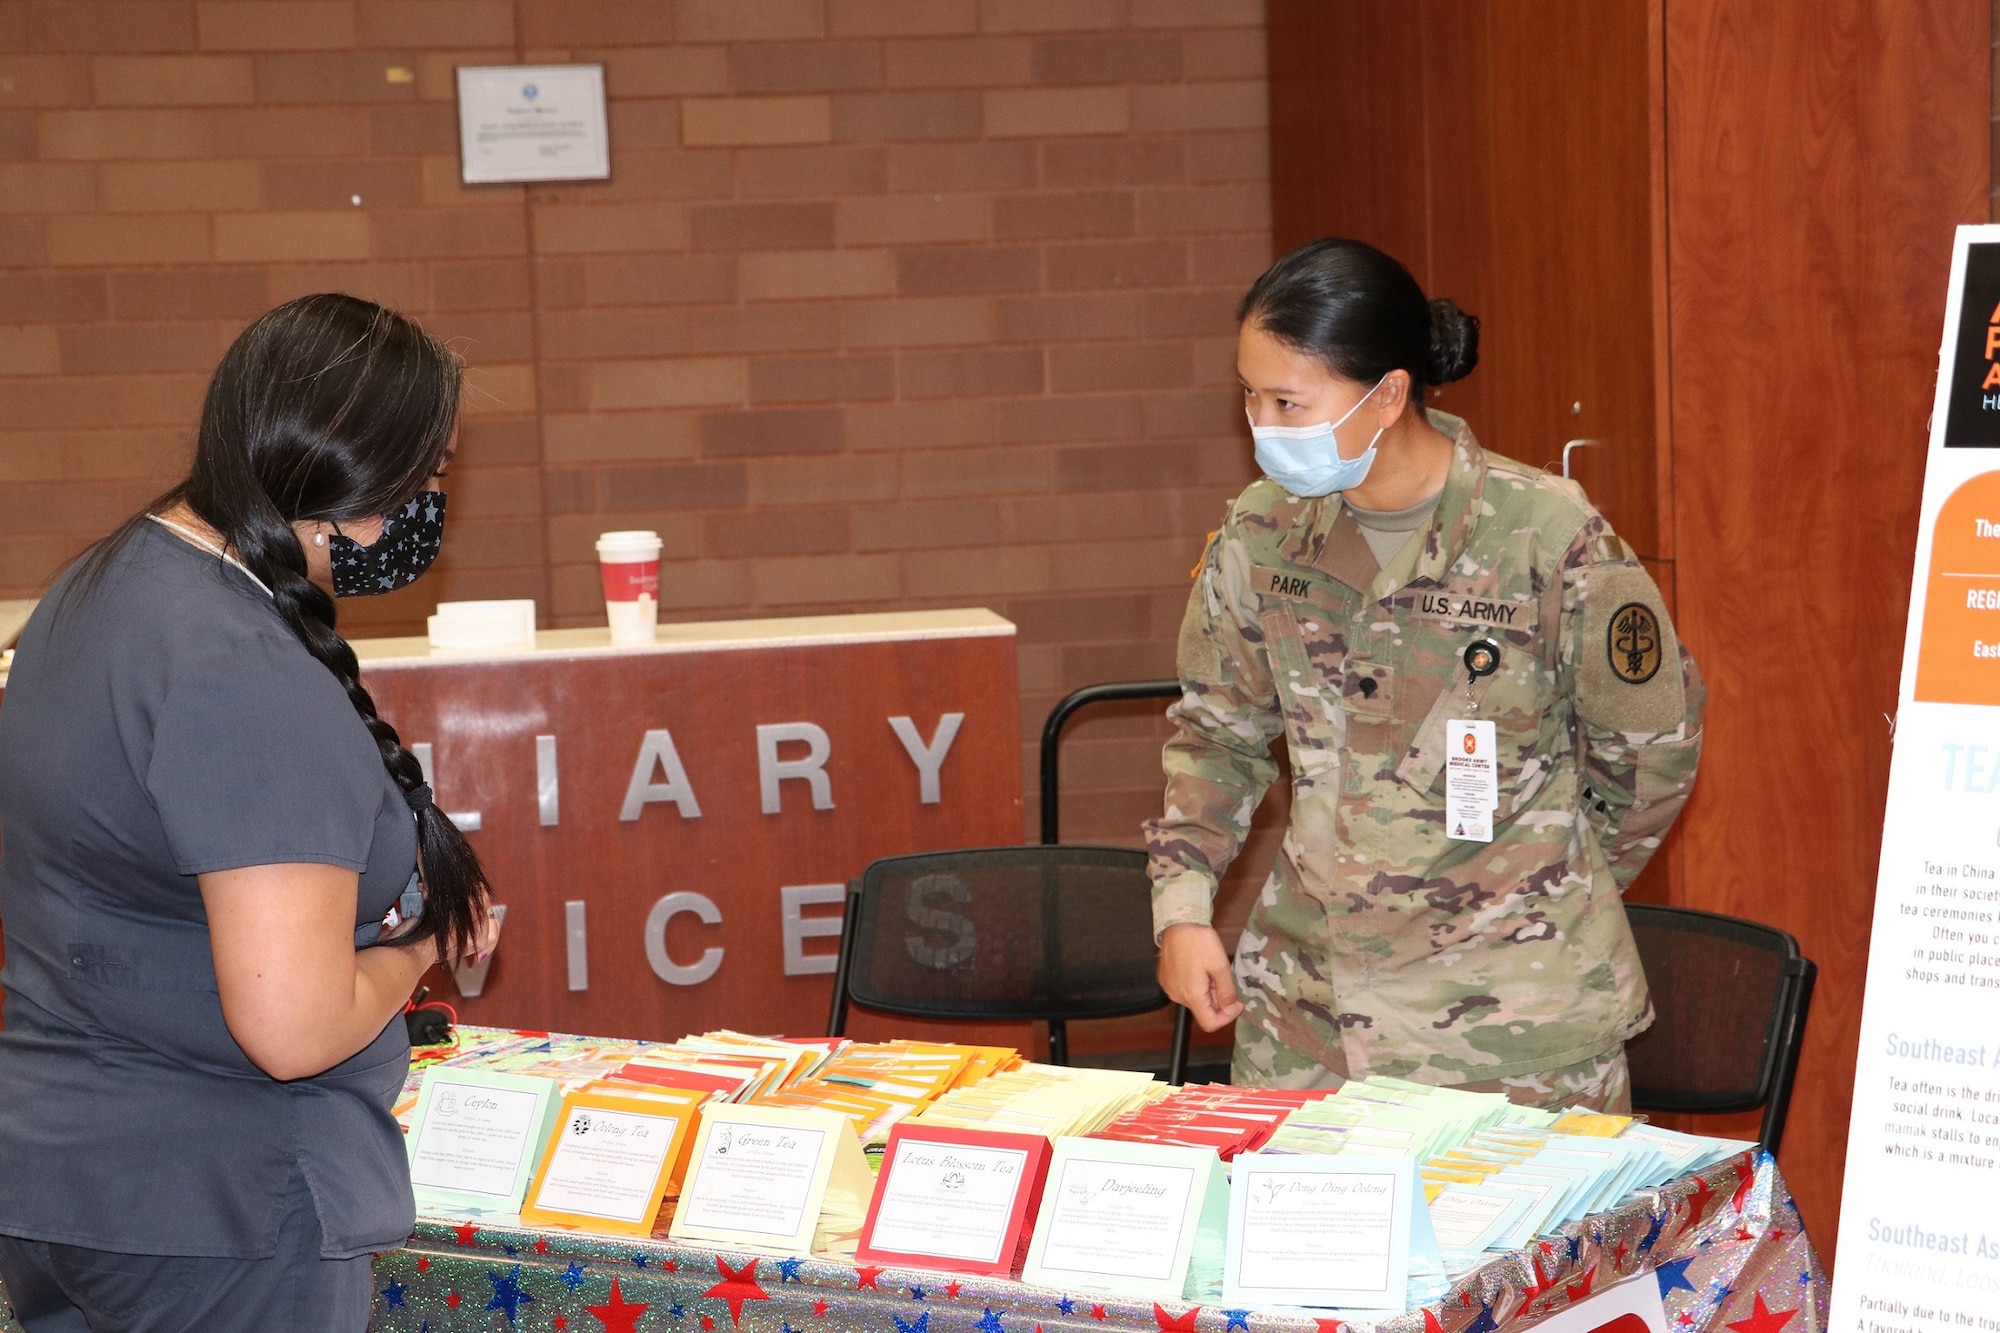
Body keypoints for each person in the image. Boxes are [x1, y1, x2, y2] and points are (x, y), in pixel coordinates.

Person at [0, 293, 500, 1331]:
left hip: (63, 1182)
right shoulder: (244, 668)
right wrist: (420, 948)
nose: (435, 499)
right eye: (434, 471)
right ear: (358, 475)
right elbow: (292, 1025)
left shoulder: (93, 590)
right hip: (226, 1206)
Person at [1147, 239, 1704, 1110]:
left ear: (1389, 393)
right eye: (1250, 396)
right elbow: (1217, 736)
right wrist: (1183, 907)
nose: (1264, 424)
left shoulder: (1543, 534)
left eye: (1289, 401)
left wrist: (1535, 875)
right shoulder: (1262, 534)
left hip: (1514, 1031)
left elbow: (1649, 750)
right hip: (1309, 1022)